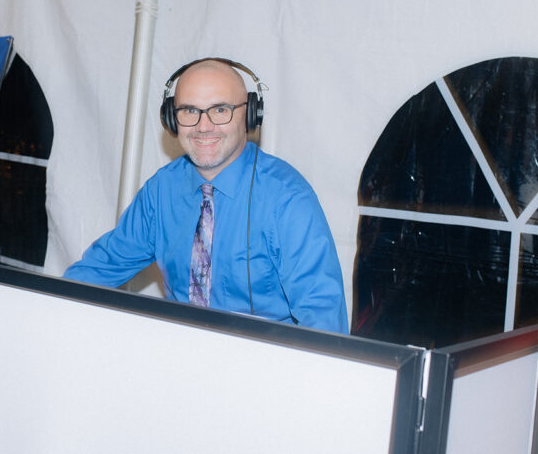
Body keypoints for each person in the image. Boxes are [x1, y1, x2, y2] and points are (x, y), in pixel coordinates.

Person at [64, 58, 348, 333]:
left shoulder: (287, 198)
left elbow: (321, 320)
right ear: (170, 119)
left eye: (220, 110)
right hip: (179, 355)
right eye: (189, 111)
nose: (203, 126)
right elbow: (101, 267)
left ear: (250, 115)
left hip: (263, 366)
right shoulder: (162, 189)